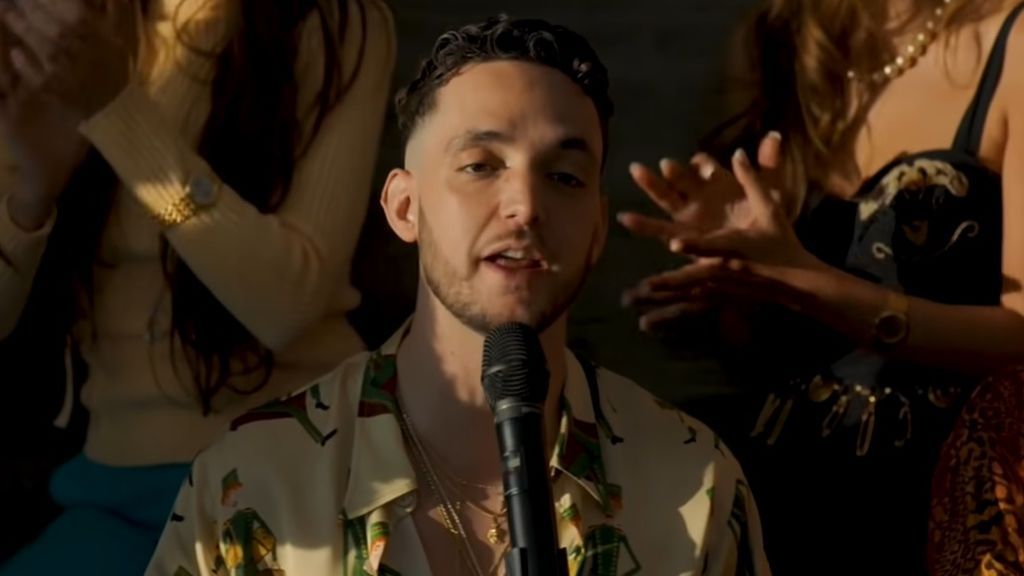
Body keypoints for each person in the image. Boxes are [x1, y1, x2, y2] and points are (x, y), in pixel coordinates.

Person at [145, 16, 772, 576]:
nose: (525, 207)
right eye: (480, 166)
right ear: (404, 206)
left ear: (598, 229)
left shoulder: (692, 483)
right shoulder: (256, 483)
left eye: (564, 176)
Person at [618, 0, 1024, 573]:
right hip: (783, 491)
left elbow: (1022, 336)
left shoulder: (1014, 40)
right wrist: (729, 281)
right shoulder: (777, 34)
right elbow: (752, 346)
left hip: (954, 506)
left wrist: (807, 284)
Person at [0, 0, 395, 573]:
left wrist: (117, 113)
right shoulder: (57, 25)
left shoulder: (333, 22)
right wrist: (35, 188)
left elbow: (289, 304)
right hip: (114, 489)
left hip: (297, 472)